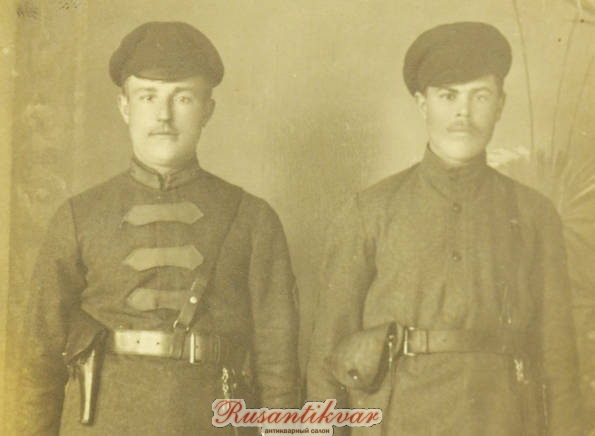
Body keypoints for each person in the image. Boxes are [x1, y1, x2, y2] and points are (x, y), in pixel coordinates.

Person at [17, 21, 299, 435]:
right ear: (125, 107)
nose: (163, 116)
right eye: (147, 96)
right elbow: (38, 363)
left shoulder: (253, 219)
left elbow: (279, 371)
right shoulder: (78, 217)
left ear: (207, 110)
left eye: (182, 98)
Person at [307, 22, 583, 435]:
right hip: (397, 421)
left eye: (480, 96)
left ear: (501, 104)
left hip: (503, 420)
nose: (463, 114)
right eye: (448, 96)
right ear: (422, 104)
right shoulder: (370, 211)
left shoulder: (534, 215)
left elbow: (559, 360)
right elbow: (327, 356)